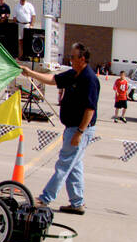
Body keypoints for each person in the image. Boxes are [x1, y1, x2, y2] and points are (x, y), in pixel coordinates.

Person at [22, 42, 99, 215]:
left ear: (82, 59)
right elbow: (54, 79)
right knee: (74, 165)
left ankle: (45, 198)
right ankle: (77, 202)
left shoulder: (89, 79)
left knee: (64, 165)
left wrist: (80, 132)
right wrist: (30, 73)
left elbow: (90, 109)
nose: (70, 59)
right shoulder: (74, 74)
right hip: (72, 127)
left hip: (80, 129)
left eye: (72, 57)